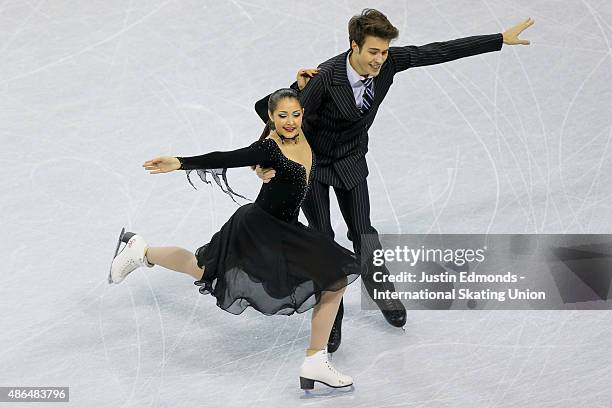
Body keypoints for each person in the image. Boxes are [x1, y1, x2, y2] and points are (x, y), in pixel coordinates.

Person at [254, 8, 534, 353]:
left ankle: (382, 293)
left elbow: (437, 51)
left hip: (352, 160)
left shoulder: (388, 64)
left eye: (384, 52)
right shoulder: (326, 77)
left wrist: (498, 39)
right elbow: (279, 113)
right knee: (322, 238)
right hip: (313, 164)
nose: (379, 59)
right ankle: (331, 311)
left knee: (364, 232)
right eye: (373, 51)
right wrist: (264, 161)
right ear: (353, 45)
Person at [109, 88, 360, 390]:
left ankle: (315, 360)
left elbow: (264, 104)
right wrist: (180, 162)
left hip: (287, 230)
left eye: (295, 114)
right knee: (202, 269)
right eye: (282, 116)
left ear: (303, 113)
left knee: (335, 280)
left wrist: (296, 85)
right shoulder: (268, 149)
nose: (290, 121)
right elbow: (226, 157)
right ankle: (142, 251)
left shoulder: (303, 131)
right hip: (258, 229)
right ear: (271, 118)